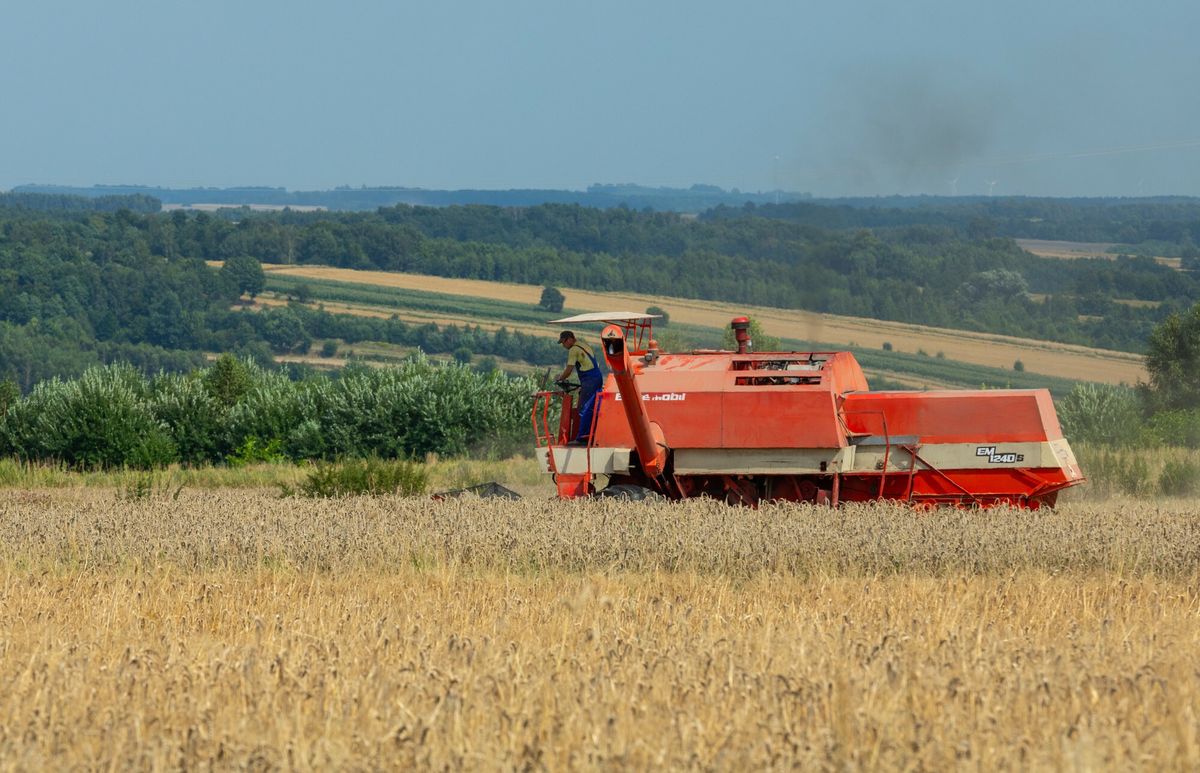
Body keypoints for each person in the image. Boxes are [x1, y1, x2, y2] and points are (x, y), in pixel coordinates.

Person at [556, 330, 603, 445]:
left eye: (564, 342)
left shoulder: (573, 349)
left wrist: (560, 379)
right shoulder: (583, 345)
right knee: (594, 407)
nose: (563, 345)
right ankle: (595, 434)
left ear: (570, 339)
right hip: (597, 378)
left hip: (589, 380)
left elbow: (569, 370)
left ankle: (582, 438)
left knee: (584, 408)